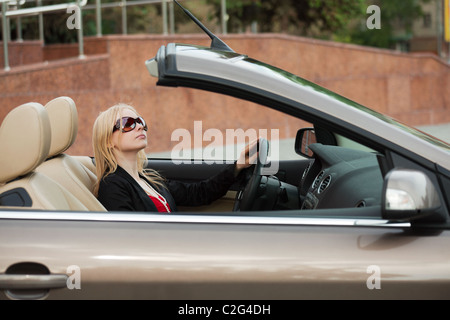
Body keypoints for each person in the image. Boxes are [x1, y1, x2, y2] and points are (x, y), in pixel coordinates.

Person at [92, 103, 258, 212]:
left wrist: (238, 166)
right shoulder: (112, 185)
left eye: (140, 121)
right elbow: (128, 237)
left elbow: (199, 193)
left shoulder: (151, 180)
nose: (140, 126)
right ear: (108, 141)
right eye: (128, 123)